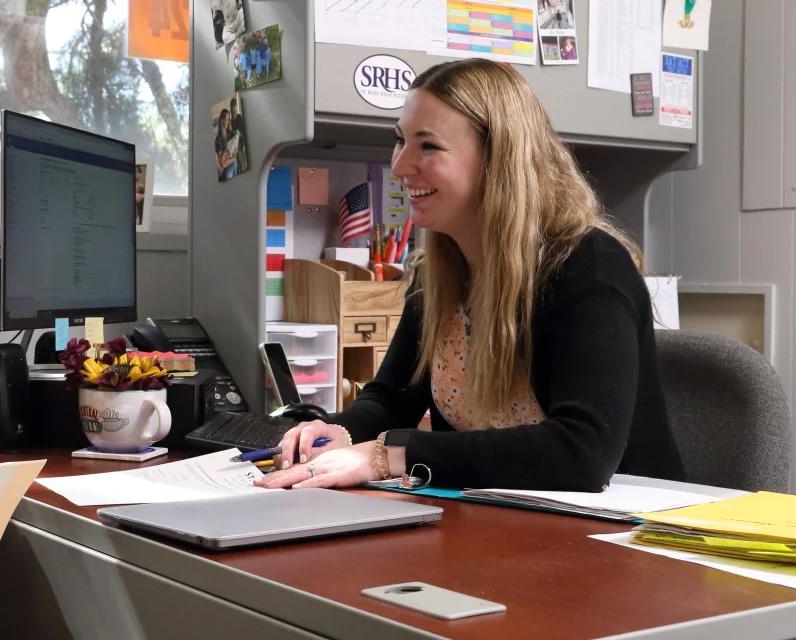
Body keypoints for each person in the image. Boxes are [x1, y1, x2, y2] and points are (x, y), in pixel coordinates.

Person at [257, 59, 683, 493]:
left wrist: (391, 453)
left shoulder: (588, 266)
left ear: (497, 160)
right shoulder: (437, 274)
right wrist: (339, 432)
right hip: (496, 523)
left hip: (629, 535)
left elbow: (581, 454)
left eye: (428, 146)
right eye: (400, 141)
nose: (402, 166)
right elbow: (392, 398)